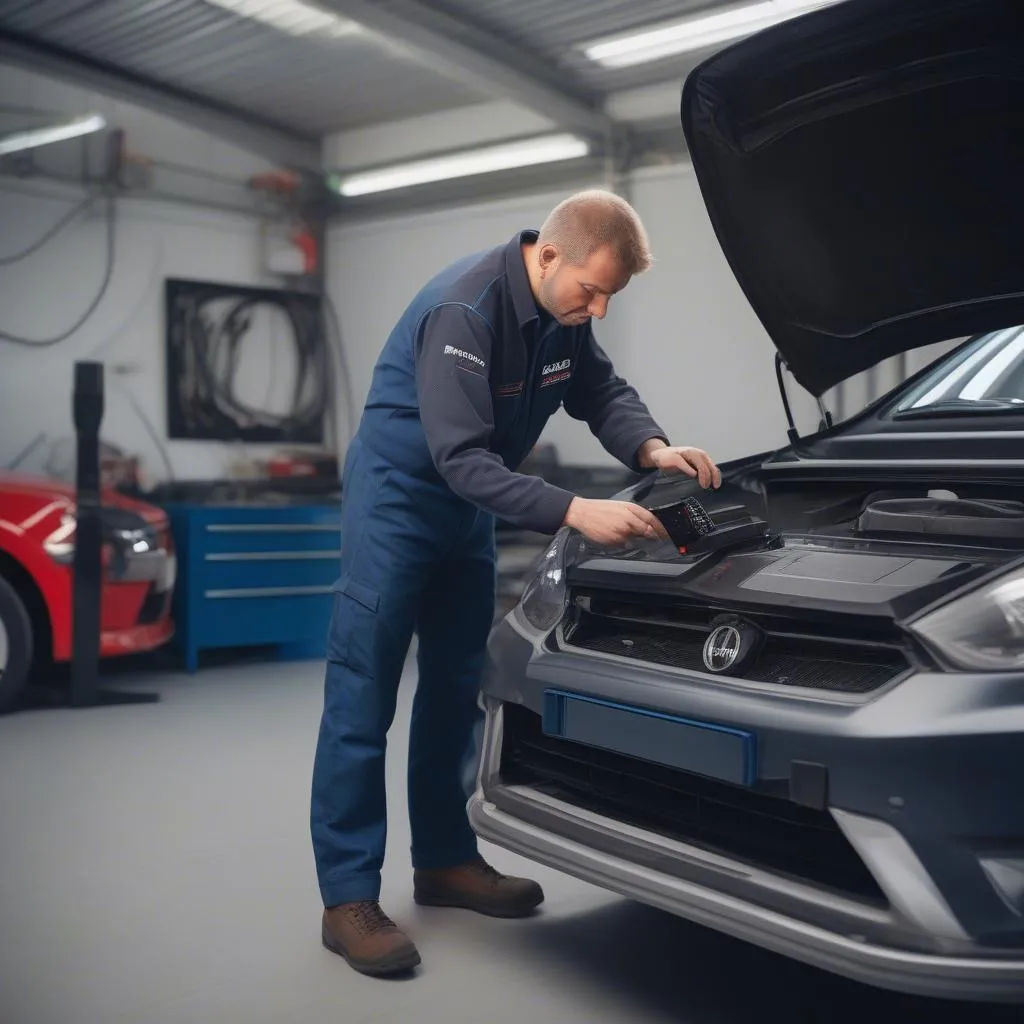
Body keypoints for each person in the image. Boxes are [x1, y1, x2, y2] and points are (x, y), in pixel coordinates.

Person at [310, 189, 721, 977]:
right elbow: (458, 458)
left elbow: (599, 391)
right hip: (398, 505)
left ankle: (444, 861)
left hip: (470, 510)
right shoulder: (463, 311)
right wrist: (575, 510)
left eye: (611, 296)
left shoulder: (562, 316)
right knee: (363, 696)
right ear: (548, 255)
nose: (596, 309)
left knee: (456, 688)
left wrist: (654, 451)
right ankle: (347, 898)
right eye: (590, 290)